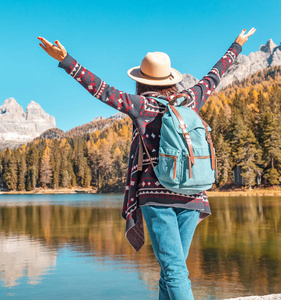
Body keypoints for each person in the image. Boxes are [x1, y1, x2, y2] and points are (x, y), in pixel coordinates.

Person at [38, 28, 256, 300]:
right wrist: (237, 45)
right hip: (194, 194)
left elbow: (101, 90)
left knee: (174, 269)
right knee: (172, 268)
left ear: (141, 81)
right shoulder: (190, 99)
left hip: (157, 196)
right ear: (171, 80)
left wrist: (67, 60)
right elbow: (215, 75)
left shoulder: (140, 104)